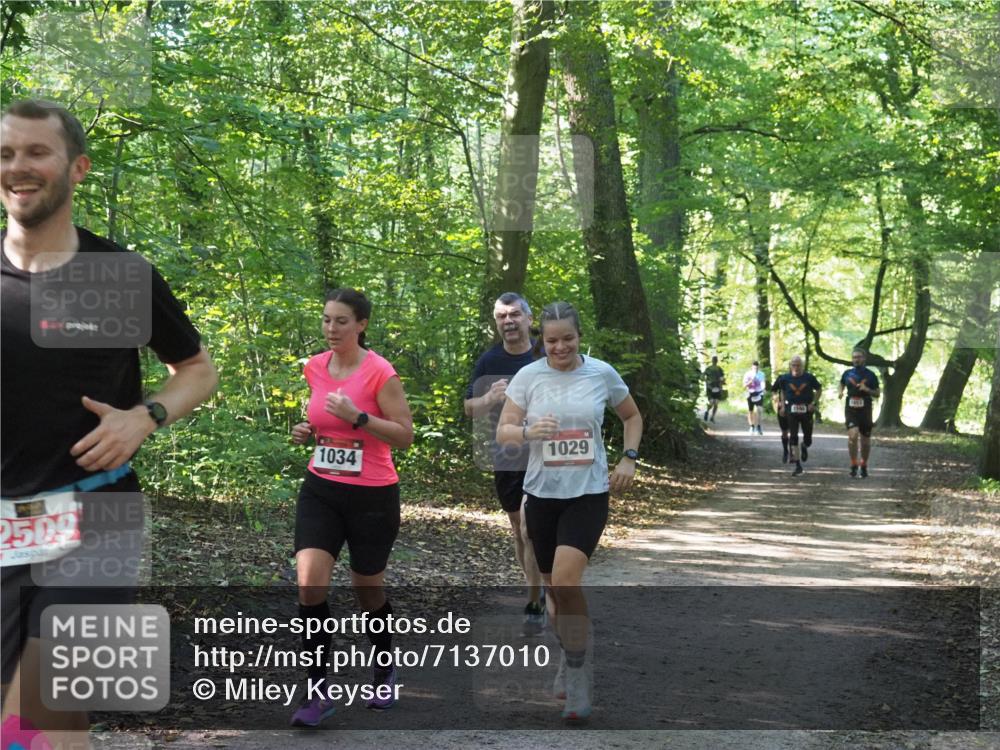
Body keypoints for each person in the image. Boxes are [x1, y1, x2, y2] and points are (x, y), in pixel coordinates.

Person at [1, 100, 218, 748]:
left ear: (78, 168)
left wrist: (144, 417)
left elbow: (198, 370)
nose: (19, 166)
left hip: (96, 517)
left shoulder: (120, 276)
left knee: (47, 714)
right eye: (6, 153)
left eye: (37, 152)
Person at [496, 302, 642, 722]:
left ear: (580, 337)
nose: (560, 347)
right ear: (541, 339)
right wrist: (526, 431)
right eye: (552, 339)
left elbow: (631, 416)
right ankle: (570, 656)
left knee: (564, 581)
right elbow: (504, 430)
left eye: (568, 338)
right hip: (541, 495)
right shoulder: (528, 376)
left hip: (588, 493)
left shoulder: (601, 373)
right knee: (554, 592)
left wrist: (628, 458)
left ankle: (578, 674)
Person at [288, 288, 414, 726]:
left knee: (368, 590)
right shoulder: (315, 368)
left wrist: (359, 417)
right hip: (321, 488)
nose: (331, 329)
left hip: (373, 495)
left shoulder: (381, 373)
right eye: (326, 320)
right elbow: (323, 425)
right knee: (309, 584)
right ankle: (318, 691)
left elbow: (403, 435)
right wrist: (307, 431)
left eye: (341, 321)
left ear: (361, 325)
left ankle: (383, 667)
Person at [464, 292, 545, 635]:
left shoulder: (547, 351)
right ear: (496, 323)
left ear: (528, 319)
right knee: (518, 529)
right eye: (501, 316)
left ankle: (535, 603)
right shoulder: (489, 360)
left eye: (514, 314)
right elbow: (470, 408)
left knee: (530, 527)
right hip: (508, 454)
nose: (508, 321)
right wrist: (489, 398)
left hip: (546, 452)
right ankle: (538, 584)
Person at [771, 356, 822, 476]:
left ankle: (804, 446)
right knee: (793, 436)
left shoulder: (809, 378)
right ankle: (798, 465)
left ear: (802, 366)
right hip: (791, 410)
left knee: (808, 438)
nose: (796, 367)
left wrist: (813, 403)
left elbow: (819, 389)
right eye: (793, 365)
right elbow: (777, 391)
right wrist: (780, 403)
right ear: (790, 366)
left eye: (798, 365)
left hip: (806, 410)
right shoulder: (784, 378)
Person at [838, 348, 880, 478]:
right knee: (853, 436)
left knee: (865, 441)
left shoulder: (871, 375)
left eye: (859, 357)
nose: (856, 359)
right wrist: (840, 391)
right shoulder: (847, 373)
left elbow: (877, 393)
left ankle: (864, 464)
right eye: (854, 357)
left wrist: (866, 389)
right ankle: (853, 463)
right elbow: (841, 384)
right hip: (851, 408)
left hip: (865, 409)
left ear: (864, 358)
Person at [742, 361, 767, 435]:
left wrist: (763, 388)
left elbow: (763, 382)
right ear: (752, 367)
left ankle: (758, 427)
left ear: (758, 367)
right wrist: (750, 381)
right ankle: (751, 426)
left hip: (759, 393)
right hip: (750, 393)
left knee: (759, 410)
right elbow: (744, 386)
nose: (755, 369)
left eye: (757, 368)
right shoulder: (747, 374)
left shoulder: (761, 374)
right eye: (754, 368)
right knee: (751, 411)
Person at [702, 355, 726, 422]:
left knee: (716, 403)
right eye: (714, 360)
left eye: (715, 360)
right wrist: (707, 381)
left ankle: (712, 417)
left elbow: (722, 378)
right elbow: (702, 376)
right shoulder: (709, 368)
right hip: (710, 388)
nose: (715, 361)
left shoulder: (719, 369)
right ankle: (707, 412)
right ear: (713, 361)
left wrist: (722, 382)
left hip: (717, 387)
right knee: (712, 403)